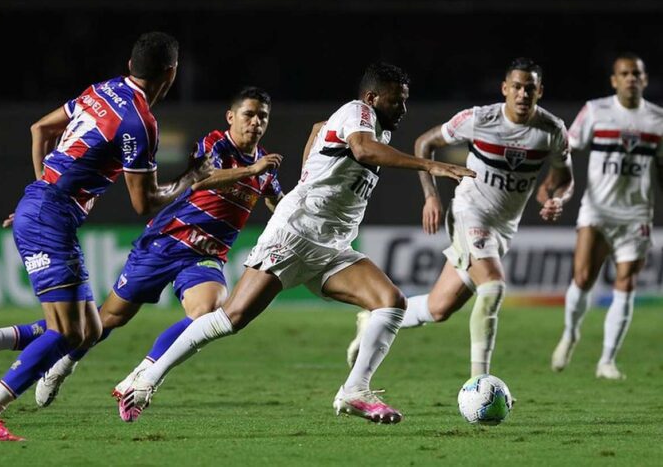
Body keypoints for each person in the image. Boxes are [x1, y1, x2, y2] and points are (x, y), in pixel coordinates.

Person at [115, 62, 476, 425]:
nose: (403, 109)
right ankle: (144, 381)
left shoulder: (374, 131)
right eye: (397, 101)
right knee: (230, 318)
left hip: (331, 246)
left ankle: (354, 391)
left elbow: (319, 129)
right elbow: (362, 151)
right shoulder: (357, 113)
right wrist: (430, 167)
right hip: (294, 236)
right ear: (371, 98)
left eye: (405, 101)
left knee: (390, 302)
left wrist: (309, 170)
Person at [0, 32, 210, 441]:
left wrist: (43, 191)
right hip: (48, 217)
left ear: (130, 64)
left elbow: (40, 129)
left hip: (43, 209)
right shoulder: (140, 123)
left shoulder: (104, 89)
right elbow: (145, 203)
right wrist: (193, 178)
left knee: (86, 329)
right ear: (171, 74)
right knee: (68, 332)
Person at [31, 86, 284, 406]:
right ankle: (62, 365)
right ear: (231, 117)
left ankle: (142, 375)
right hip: (165, 243)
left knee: (208, 313)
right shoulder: (215, 143)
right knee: (110, 318)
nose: (256, 122)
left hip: (205, 256)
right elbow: (201, 178)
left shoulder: (265, 166)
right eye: (249, 114)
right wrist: (250, 170)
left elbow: (278, 203)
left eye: (263, 117)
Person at [345, 58, 574, 379]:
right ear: (505, 89)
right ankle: (480, 382)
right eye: (517, 87)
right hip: (469, 214)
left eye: (530, 88)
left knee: (439, 308)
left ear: (540, 92)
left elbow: (564, 178)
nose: (523, 94)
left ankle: (374, 319)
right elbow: (426, 142)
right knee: (493, 287)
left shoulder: (551, 131)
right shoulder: (480, 119)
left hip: (502, 229)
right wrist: (431, 195)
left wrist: (556, 198)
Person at [550, 53, 663, 380]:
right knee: (583, 278)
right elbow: (565, 149)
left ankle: (607, 361)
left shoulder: (657, 120)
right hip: (598, 210)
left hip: (637, 213)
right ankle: (571, 333)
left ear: (644, 79)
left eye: (636, 74)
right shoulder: (596, 111)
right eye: (624, 73)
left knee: (626, 282)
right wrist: (555, 183)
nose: (631, 78)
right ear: (614, 80)